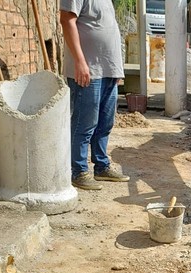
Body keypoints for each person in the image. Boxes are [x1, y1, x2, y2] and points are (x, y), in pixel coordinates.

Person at [60, 0, 130, 191]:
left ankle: (101, 166)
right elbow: (67, 20)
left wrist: (116, 70)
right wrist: (80, 62)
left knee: (105, 123)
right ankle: (78, 171)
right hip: (88, 70)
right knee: (85, 123)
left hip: (108, 70)